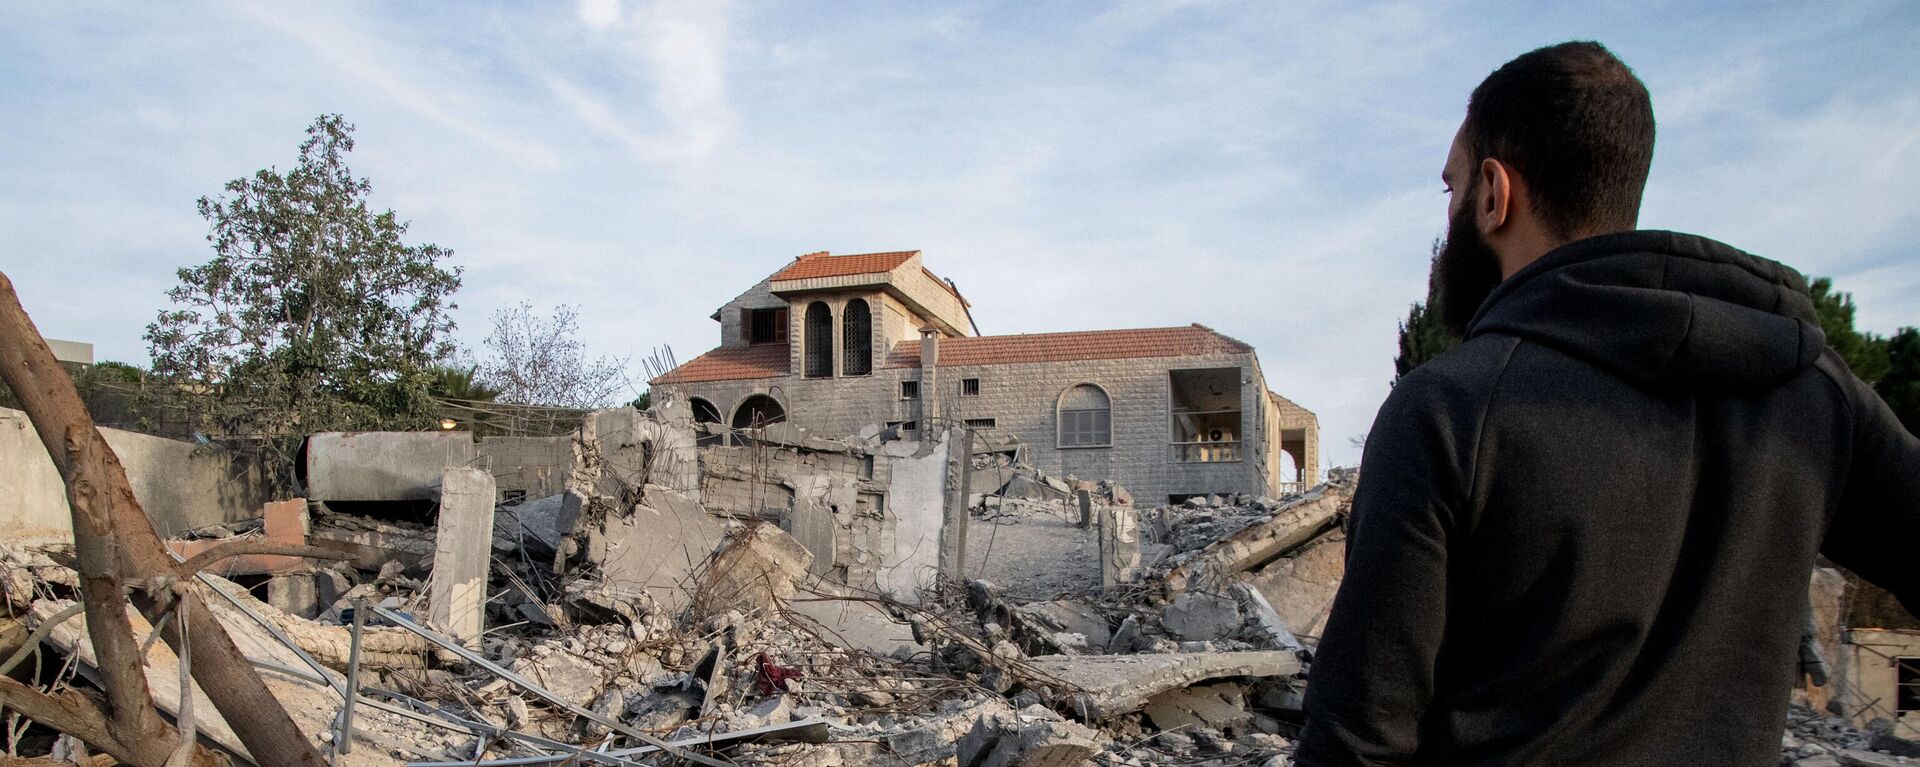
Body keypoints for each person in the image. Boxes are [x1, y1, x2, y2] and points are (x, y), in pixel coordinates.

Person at [1295, 41, 1918, 765]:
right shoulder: (1811, 389)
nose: (1450, 216)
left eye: (1452, 189)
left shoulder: (1449, 411)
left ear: (1496, 194)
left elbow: (1356, 742)